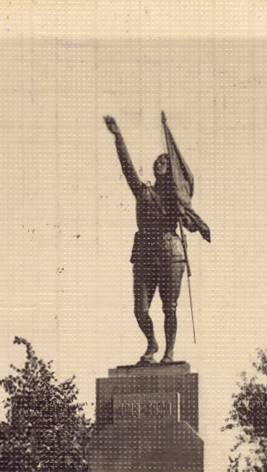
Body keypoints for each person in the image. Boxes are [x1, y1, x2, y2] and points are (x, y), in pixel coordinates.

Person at [105, 115, 211, 364]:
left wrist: (198, 224)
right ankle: (152, 342)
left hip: (170, 252)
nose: (159, 166)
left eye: (165, 164)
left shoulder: (176, 201)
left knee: (169, 308)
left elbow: (189, 221)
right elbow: (127, 167)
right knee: (140, 310)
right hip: (144, 252)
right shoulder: (143, 192)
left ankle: (169, 352)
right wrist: (118, 136)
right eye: (157, 163)